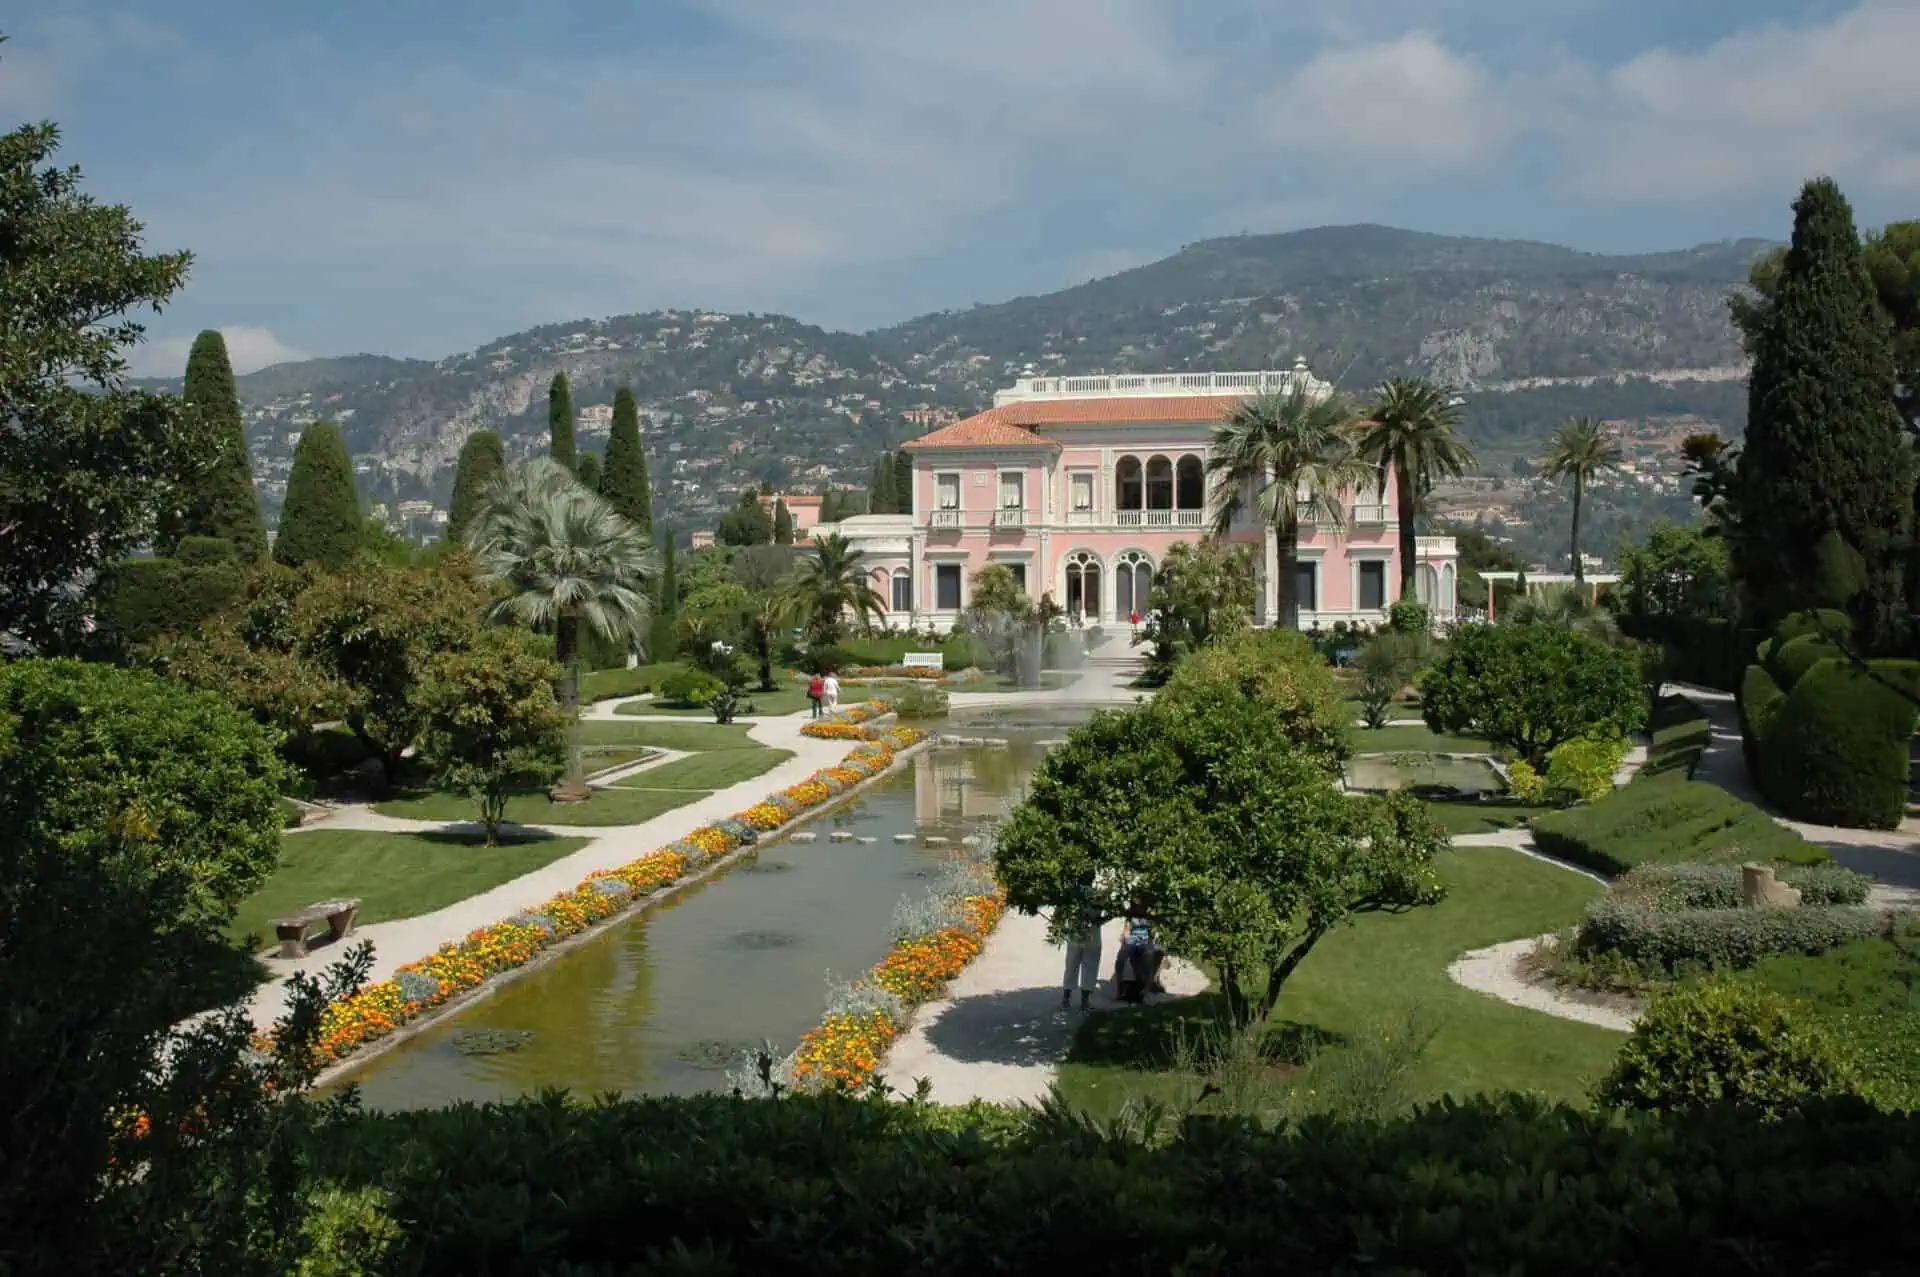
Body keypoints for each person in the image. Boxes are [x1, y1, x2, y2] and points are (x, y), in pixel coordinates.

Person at [1059, 912, 1102, 1010]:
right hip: (1076, 934)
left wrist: (1097, 921)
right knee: (1071, 965)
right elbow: (1060, 909)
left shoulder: (1102, 898)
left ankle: (1084, 1000)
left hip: (1092, 935)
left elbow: (1111, 912)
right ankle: (1067, 998)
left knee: (1088, 968)